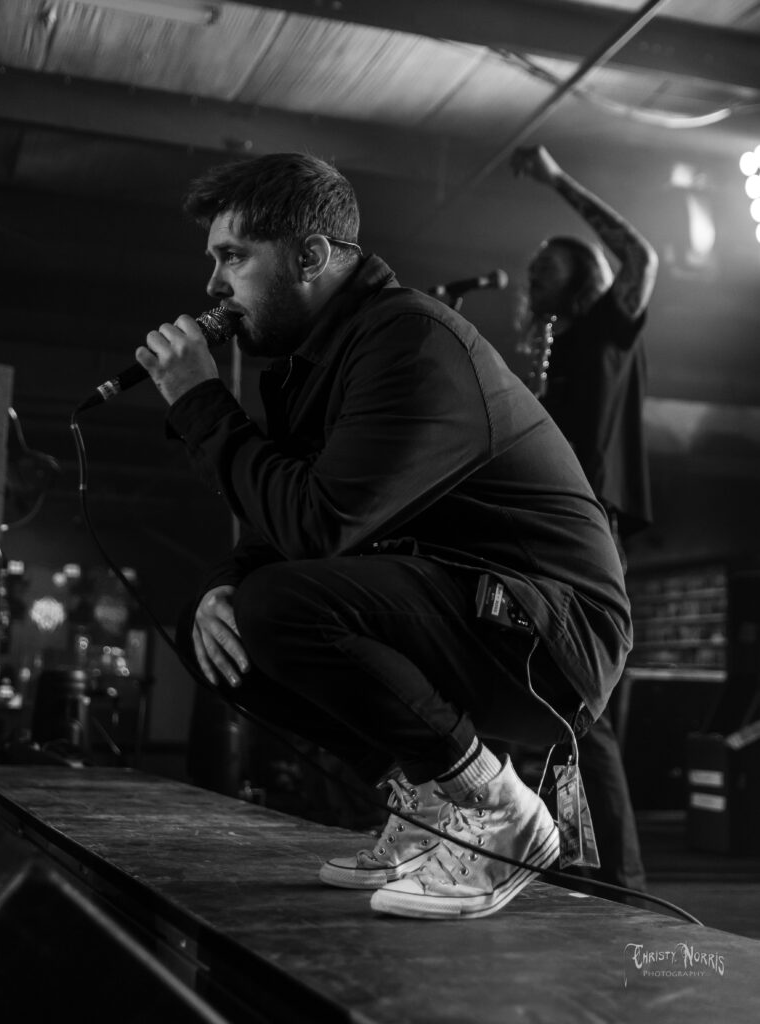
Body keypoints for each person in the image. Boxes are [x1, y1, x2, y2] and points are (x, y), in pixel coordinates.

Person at [135, 151, 632, 921]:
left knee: (280, 605)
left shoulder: (408, 342)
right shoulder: (323, 361)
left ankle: (497, 810)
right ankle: (429, 804)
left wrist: (201, 402)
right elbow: (284, 521)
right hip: (470, 609)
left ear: (310, 255)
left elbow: (319, 526)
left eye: (232, 256)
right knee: (220, 628)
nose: (213, 285)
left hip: (552, 632)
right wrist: (218, 587)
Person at [511, 143, 659, 895]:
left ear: (581, 275)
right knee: (552, 708)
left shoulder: (607, 328)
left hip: (588, 535)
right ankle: (575, 865)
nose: (531, 275)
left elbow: (640, 256)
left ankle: (621, 884)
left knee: (580, 711)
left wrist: (555, 179)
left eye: (547, 264)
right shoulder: (557, 350)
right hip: (550, 536)